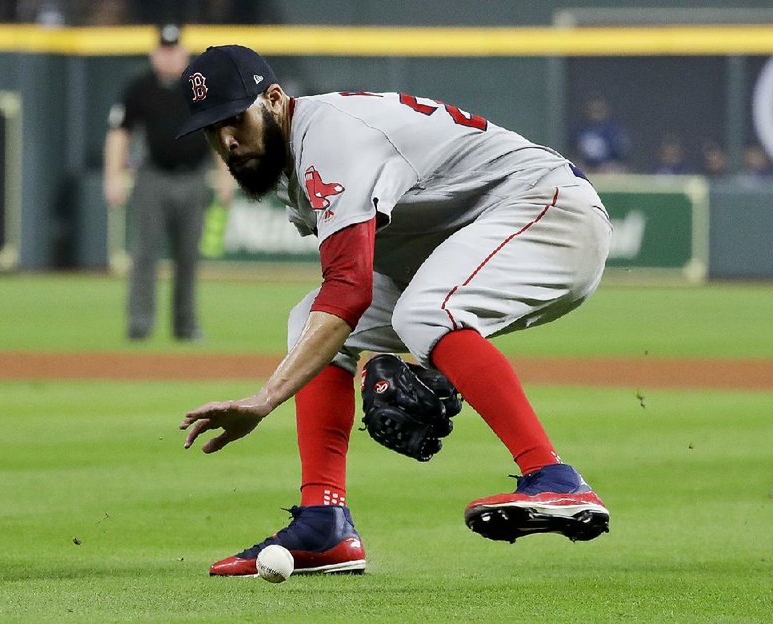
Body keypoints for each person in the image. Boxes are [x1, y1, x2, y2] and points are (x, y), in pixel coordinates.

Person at [177, 45, 613, 576]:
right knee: (308, 322)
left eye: (234, 119)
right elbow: (344, 296)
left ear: (273, 99)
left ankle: (555, 479)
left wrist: (265, 400)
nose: (226, 140)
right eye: (211, 129)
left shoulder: (329, 138)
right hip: (480, 228)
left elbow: (350, 288)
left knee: (424, 314)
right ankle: (324, 524)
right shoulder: (294, 153)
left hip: (550, 211)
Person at [103, 25, 234, 341]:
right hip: (153, 178)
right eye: (164, 49)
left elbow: (218, 132)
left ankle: (186, 327)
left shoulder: (199, 89)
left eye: (174, 50)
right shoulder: (139, 87)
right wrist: (113, 176)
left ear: (184, 54)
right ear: (154, 54)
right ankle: (140, 324)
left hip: (192, 178)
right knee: (144, 254)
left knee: (188, 257)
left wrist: (226, 174)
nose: (169, 55)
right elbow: (120, 133)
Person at [571, 95, 631, 173]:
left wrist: (611, 165)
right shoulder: (580, 129)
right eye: (593, 111)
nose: (595, 114)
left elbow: (621, 156)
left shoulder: (612, 131)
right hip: (585, 166)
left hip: (607, 167)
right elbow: (573, 151)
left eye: (598, 111)